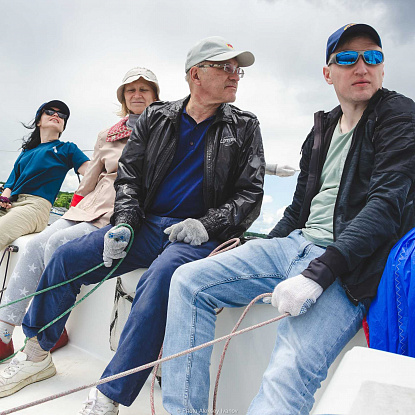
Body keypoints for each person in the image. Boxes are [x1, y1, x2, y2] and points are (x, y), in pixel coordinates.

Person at [0, 36, 265, 414]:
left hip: (196, 236)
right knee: (65, 257)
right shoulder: (157, 117)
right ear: (196, 74)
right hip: (146, 225)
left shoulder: (245, 125)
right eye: (225, 67)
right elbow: (130, 179)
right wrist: (124, 223)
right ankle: (37, 355)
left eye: (237, 69)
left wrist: (206, 225)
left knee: (158, 281)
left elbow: (250, 194)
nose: (235, 75)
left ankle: (109, 395)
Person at [161, 23, 415, 414]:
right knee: (188, 281)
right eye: (348, 58)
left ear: (382, 67)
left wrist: (319, 273)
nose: (362, 66)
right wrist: (254, 246)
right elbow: (298, 210)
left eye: (373, 57)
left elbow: (386, 206)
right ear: (328, 73)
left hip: (350, 266)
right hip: (294, 246)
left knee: (287, 374)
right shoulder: (321, 131)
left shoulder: (399, 116)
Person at [0, 68, 160, 361]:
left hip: (122, 210)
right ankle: (4, 333)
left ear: (155, 96)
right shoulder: (106, 135)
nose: (137, 95)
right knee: (35, 245)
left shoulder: (164, 131)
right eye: (131, 90)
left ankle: (52, 327)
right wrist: (75, 205)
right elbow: (91, 177)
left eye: (144, 90)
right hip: (89, 205)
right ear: (123, 97)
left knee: (57, 244)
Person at [0, 100, 89, 253]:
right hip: (12, 203)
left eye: (62, 115)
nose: (56, 115)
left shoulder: (67, 149)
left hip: (35, 207)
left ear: (63, 126)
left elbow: (92, 172)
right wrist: (4, 200)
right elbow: (10, 183)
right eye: (49, 111)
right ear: (38, 121)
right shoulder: (26, 152)